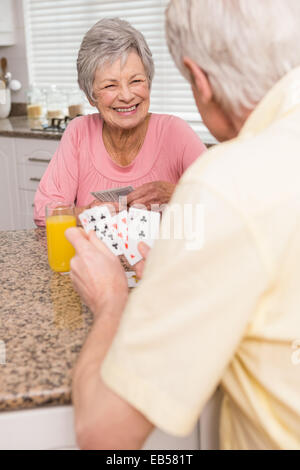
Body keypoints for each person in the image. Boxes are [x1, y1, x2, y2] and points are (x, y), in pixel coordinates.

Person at [66, 0, 300, 450]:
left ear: (199, 79)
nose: (127, 93)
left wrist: (112, 299)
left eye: (137, 80)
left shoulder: (223, 182)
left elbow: (103, 434)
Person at [34, 17, 206, 226]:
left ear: (149, 83)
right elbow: (45, 212)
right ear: (90, 96)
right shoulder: (79, 132)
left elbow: (229, 202)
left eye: (136, 81)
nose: (126, 96)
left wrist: (177, 194)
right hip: (94, 257)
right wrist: (86, 213)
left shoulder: (175, 132)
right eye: (110, 86)